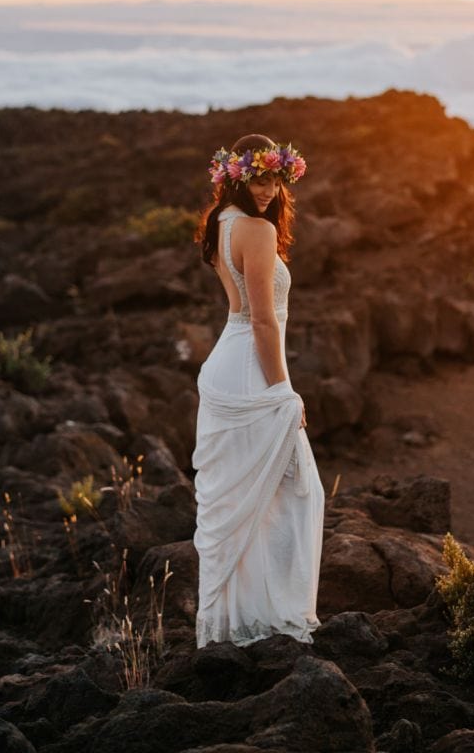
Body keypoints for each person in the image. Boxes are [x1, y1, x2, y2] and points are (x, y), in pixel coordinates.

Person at [191, 133, 325, 648]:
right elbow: (265, 322)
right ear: (237, 179)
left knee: (248, 504)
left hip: (227, 363)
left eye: (275, 179)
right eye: (259, 179)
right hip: (252, 370)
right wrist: (284, 393)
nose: (268, 189)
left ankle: (241, 623)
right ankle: (267, 622)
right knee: (296, 493)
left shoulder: (221, 222)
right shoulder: (257, 231)